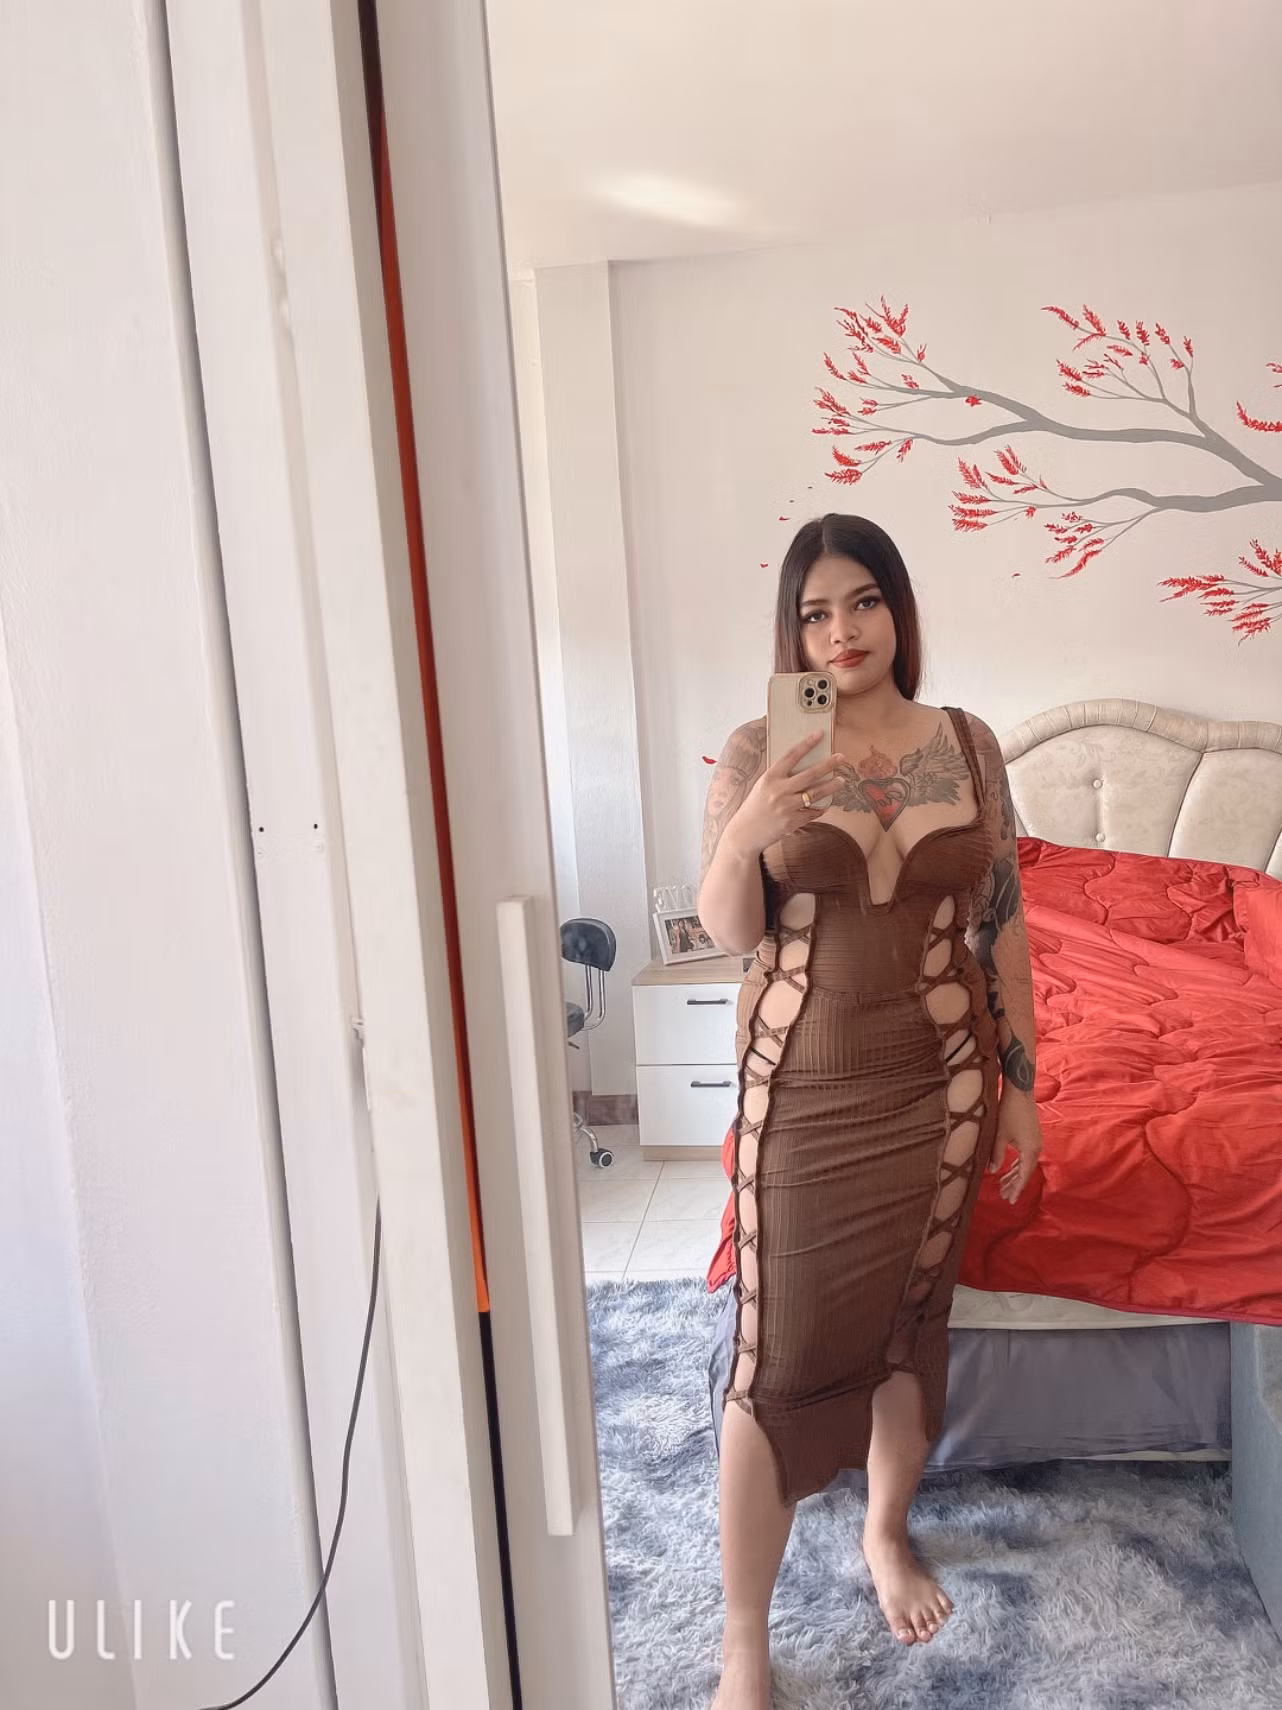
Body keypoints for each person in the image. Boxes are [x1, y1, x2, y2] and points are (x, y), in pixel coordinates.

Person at [697, 514, 1042, 1708]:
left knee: (909, 1325)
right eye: (813, 613)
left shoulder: (968, 744)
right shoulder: (760, 747)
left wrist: (1021, 1091)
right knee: (770, 1359)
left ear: (897, 608)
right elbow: (728, 930)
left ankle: (884, 1533)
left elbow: (1003, 926)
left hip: (942, 1089)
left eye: (862, 602)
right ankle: (744, 1640)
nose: (840, 632)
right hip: (802, 1092)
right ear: (792, 633)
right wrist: (749, 830)